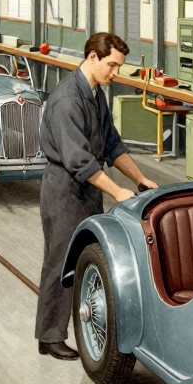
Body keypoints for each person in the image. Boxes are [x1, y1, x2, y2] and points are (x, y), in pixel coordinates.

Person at [35, 32, 158, 360]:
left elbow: (112, 142)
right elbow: (79, 161)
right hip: (65, 190)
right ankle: (49, 336)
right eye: (112, 65)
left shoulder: (95, 93)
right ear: (92, 57)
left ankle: (76, 331)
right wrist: (118, 189)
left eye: (118, 66)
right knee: (60, 262)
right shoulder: (67, 100)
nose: (115, 73)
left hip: (89, 188)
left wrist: (140, 178)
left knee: (84, 261)